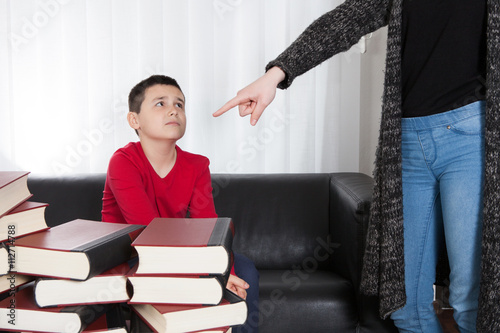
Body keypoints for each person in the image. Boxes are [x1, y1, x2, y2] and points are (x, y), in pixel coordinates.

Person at [213, 1, 500, 332]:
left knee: (473, 302)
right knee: (405, 306)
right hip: (404, 142)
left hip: (471, 136)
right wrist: (275, 75)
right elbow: (345, 21)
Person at [102, 75, 259, 333]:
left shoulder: (197, 165)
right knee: (167, 281)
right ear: (135, 120)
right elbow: (148, 230)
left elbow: (208, 226)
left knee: (245, 271)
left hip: (179, 253)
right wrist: (209, 273)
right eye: (160, 104)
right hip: (132, 256)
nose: (174, 109)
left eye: (180, 104)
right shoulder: (123, 161)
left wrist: (224, 270)